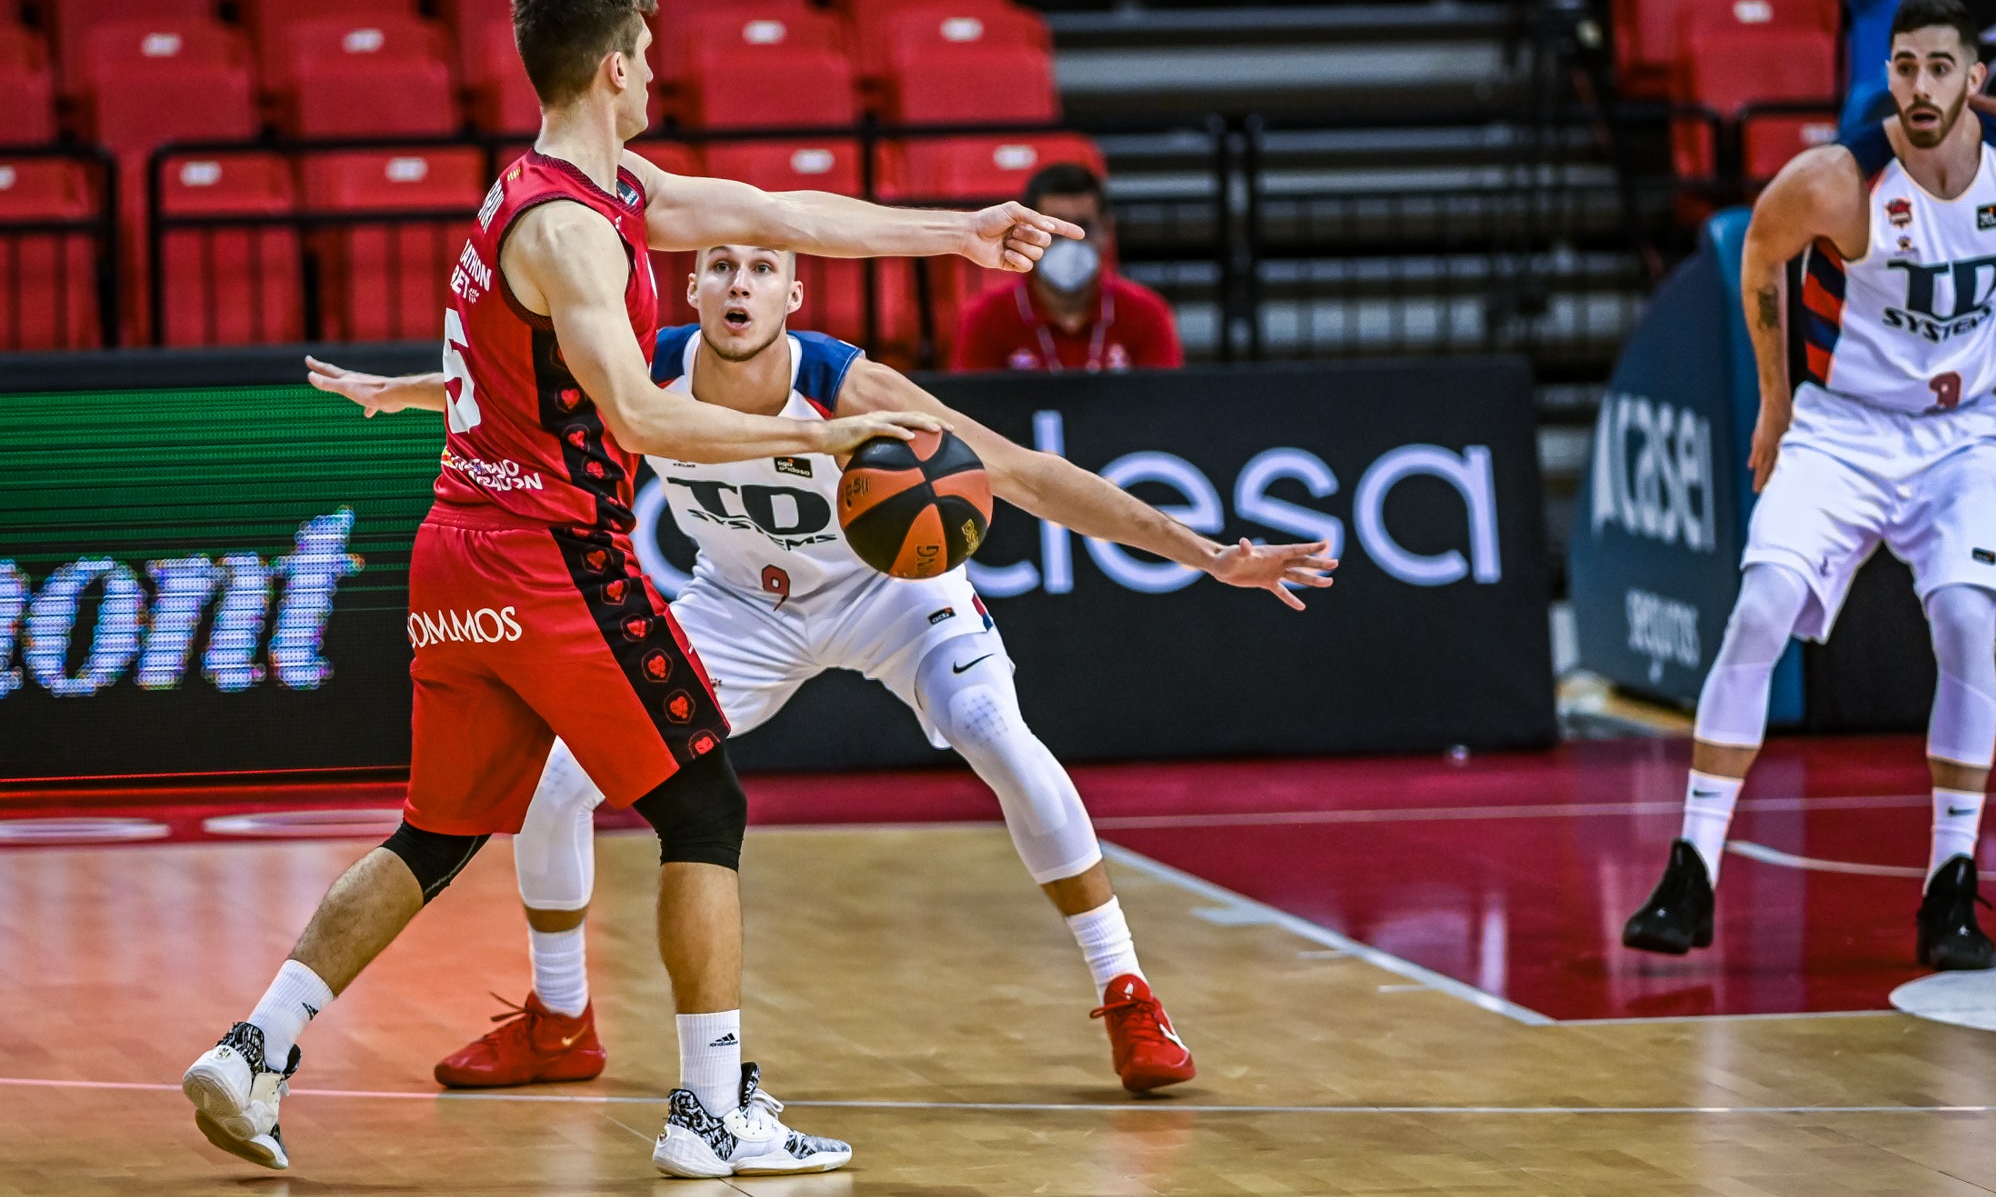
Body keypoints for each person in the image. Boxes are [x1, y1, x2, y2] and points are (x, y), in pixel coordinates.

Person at [179, 0, 1081, 1180]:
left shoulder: (582, 188)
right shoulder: (572, 232)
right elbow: (645, 420)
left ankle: (254, 1042)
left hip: (455, 551)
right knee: (702, 803)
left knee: (435, 833)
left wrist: (955, 231)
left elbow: (781, 215)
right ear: (615, 67)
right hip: (548, 551)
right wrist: (813, 436)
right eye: (648, 58)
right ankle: (709, 1108)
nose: (657, 75)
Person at [304, 241, 1336, 1095]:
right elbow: (508, 391)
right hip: (739, 605)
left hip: (893, 594)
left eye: (761, 268)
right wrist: (398, 391)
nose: (740, 283)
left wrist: (1206, 552)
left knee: (995, 733)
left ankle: (1127, 994)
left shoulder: (851, 386)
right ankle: (561, 1019)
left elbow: (1023, 475)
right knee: (556, 777)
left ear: (794, 295)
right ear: (692, 288)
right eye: (720, 266)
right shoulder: (641, 367)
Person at [1623, 0, 1996, 969]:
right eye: (1903, 65)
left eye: (1937, 68)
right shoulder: (1841, 178)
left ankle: (1948, 887)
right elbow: (1757, 249)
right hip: (1842, 426)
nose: (1917, 87)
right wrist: (1772, 399)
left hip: (1962, 435)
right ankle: (1690, 867)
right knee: (1756, 611)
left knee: (1965, 621)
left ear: (1974, 80)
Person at [952, 163, 1183, 372]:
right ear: (1025, 232)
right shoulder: (986, 317)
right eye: (1055, 227)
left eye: (1083, 226)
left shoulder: (1147, 313)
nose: (1071, 241)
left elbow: (1165, 409)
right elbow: (966, 412)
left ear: (1106, 230)